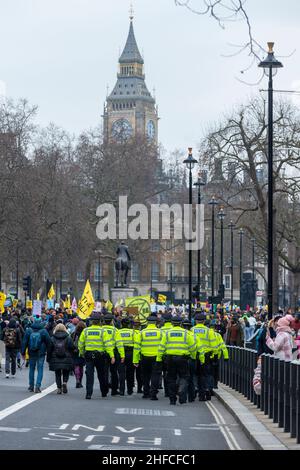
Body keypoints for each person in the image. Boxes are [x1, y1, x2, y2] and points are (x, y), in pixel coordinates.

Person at [156, 316, 196, 405]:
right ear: (181, 323)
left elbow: (161, 347)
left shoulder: (167, 333)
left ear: (172, 323)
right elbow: (193, 347)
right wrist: (193, 357)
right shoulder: (186, 333)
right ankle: (181, 390)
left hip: (170, 358)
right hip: (183, 358)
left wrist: (159, 359)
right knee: (184, 377)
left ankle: (172, 399)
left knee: (171, 378)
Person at [78, 311, 115, 399]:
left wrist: (82, 353)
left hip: (89, 355)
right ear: (100, 321)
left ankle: (88, 394)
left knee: (89, 375)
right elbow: (108, 344)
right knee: (101, 375)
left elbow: (81, 343)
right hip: (100, 356)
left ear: (91, 321)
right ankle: (104, 392)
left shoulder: (86, 330)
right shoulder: (103, 331)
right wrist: (112, 356)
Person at [133, 316, 163, 400]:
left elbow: (137, 347)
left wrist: (135, 360)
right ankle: (153, 394)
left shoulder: (141, 332)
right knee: (155, 375)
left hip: (144, 357)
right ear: (156, 322)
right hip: (156, 358)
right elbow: (163, 345)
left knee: (145, 375)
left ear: (147, 322)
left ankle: (146, 393)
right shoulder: (160, 332)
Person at [21, 315, 51, 392]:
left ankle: (31, 386)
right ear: (41, 321)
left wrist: (23, 352)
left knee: (31, 369)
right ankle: (38, 386)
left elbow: (24, 342)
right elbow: (49, 343)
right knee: (40, 369)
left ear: (33, 321)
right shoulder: (44, 331)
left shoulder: (29, 330)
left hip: (31, 352)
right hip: (41, 353)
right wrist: (49, 353)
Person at [47, 323, 75, 394]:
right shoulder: (68, 338)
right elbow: (72, 347)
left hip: (55, 357)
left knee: (57, 373)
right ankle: (65, 383)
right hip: (66, 357)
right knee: (66, 371)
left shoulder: (52, 338)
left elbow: (49, 349)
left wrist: (48, 358)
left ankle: (59, 388)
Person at [102, 313, 125, 396]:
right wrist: (122, 355)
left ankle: (104, 390)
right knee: (114, 372)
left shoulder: (101, 329)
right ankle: (114, 390)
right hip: (114, 353)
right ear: (112, 321)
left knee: (104, 372)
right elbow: (119, 344)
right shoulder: (115, 330)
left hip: (103, 353)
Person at [119, 317, 135, 396]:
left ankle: (121, 390)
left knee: (121, 373)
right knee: (130, 372)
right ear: (129, 324)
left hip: (121, 353)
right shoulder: (132, 332)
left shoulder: (118, 332)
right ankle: (130, 390)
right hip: (130, 353)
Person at [71, 321, 86, 388]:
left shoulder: (74, 334)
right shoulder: (85, 333)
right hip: (82, 351)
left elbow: (71, 342)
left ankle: (77, 379)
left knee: (76, 365)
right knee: (81, 366)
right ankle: (80, 381)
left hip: (75, 351)